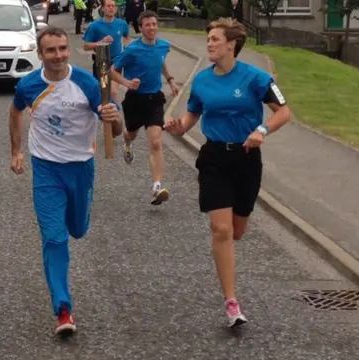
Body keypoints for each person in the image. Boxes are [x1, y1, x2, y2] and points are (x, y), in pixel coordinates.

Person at [164, 17, 291, 328]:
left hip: (247, 159)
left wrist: (262, 129)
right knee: (220, 230)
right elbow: (189, 119)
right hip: (215, 158)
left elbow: (284, 112)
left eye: (215, 39)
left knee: (236, 231)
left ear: (232, 44)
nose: (209, 44)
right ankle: (231, 302)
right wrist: (177, 127)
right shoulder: (202, 81)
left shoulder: (256, 78)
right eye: (208, 39)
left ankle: (228, 261)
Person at [8, 26, 121, 337]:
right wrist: (16, 151)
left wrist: (114, 117)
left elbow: (118, 126)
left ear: (68, 50)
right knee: (54, 238)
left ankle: (77, 222)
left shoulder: (88, 82)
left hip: (80, 167)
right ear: (40, 53)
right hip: (45, 169)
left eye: (62, 48)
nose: (57, 55)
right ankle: (63, 307)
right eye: (50, 50)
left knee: (77, 229)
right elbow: (16, 111)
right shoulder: (29, 85)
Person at [110, 10, 179, 205]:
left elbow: (161, 63)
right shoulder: (132, 49)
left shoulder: (164, 46)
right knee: (131, 133)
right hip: (135, 100)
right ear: (140, 28)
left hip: (155, 99)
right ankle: (127, 141)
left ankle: (156, 187)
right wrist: (126, 82)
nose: (151, 28)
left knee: (156, 142)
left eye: (154, 24)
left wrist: (171, 80)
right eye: (147, 25)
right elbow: (112, 71)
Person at [82, 0, 130, 101]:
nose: (111, 8)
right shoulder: (94, 26)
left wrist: (126, 49)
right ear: (103, 8)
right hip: (102, 63)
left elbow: (126, 37)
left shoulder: (122, 24)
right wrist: (101, 42)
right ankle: (103, 113)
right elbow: (85, 46)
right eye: (108, 6)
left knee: (113, 92)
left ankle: (113, 114)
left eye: (113, 6)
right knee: (103, 91)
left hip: (116, 63)